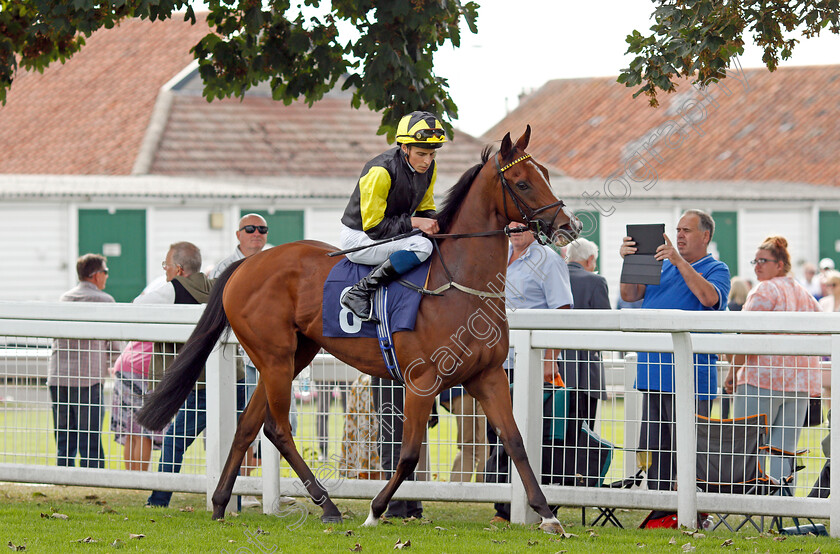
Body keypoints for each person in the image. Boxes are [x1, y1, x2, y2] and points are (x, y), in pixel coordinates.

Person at [619, 209, 731, 492]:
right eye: (678, 230)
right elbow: (629, 295)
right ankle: (660, 510)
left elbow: (709, 298)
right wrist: (629, 262)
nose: (679, 235)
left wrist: (678, 261)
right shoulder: (663, 264)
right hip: (653, 371)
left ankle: (693, 510)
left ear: (705, 236)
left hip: (690, 377)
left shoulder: (717, 269)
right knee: (656, 452)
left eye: (687, 231)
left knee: (691, 449)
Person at [140, 242, 246, 507]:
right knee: (231, 446)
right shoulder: (217, 287)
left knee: (174, 442)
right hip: (236, 379)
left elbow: (135, 307)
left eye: (166, 266)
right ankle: (235, 501)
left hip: (202, 385)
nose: (165, 272)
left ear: (178, 269)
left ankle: (159, 500)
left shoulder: (171, 290)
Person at [485, 221, 573, 522]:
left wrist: (550, 358)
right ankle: (502, 504)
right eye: (509, 227)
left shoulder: (548, 259)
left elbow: (561, 310)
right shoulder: (498, 255)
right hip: (496, 363)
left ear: (535, 228)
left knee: (524, 435)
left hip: (528, 364)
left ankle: (514, 510)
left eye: (521, 226)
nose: (514, 231)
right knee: (496, 435)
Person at [209, 214, 297, 508]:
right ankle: (245, 489)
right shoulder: (226, 267)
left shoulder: (274, 260)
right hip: (241, 359)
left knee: (285, 421)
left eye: (262, 229)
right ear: (238, 234)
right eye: (250, 229)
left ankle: (270, 486)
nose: (256, 234)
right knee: (249, 422)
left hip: (275, 356)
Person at [724, 236, 822, 487]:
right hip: (798, 383)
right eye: (755, 260)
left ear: (779, 264)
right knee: (785, 448)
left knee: (747, 444)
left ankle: (746, 498)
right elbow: (821, 328)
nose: (757, 266)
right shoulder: (803, 292)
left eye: (763, 261)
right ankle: (782, 501)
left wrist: (732, 372)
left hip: (763, 379)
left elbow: (747, 335)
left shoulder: (765, 289)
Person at [338, 110, 446, 322]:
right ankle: (360, 291)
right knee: (422, 247)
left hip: (392, 232)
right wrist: (415, 222)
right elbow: (375, 228)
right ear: (405, 147)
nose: (427, 161)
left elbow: (426, 208)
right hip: (361, 237)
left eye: (432, 154)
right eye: (421, 154)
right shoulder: (380, 171)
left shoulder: (430, 169)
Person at [47, 254, 121, 468]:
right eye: (105, 272)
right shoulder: (105, 301)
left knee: (64, 434)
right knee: (90, 434)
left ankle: (64, 474)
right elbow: (115, 345)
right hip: (88, 377)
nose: (106, 277)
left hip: (59, 375)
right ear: (97, 275)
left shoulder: (65, 299)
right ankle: (93, 475)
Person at [557, 237, 610, 439]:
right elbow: (606, 328)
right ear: (590, 260)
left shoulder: (553, 278)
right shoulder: (596, 282)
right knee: (583, 434)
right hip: (585, 373)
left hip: (553, 369)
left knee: (554, 436)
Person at [109, 340, 162, 471]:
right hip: (142, 368)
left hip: (125, 365)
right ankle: (140, 479)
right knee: (144, 431)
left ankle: (132, 478)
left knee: (131, 431)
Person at [439, 385, 488, 483]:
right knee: (486, 445)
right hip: (489, 383)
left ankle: (455, 493)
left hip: (461, 383)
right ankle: (486, 492)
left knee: (467, 446)